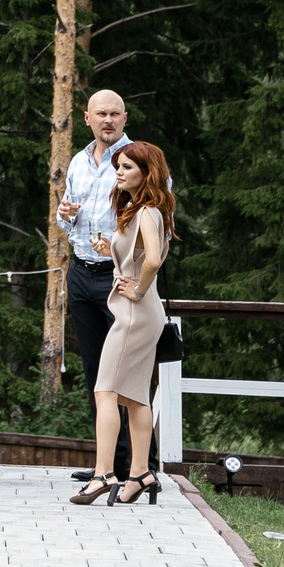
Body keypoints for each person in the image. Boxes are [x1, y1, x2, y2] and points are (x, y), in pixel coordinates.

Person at [56, 89, 155, 481]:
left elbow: (160, 219)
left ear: (125, 118)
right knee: (96, 372)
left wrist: (133, 271)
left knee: (128, 375)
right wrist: (65, 214)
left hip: (120, 279)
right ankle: (108, 464)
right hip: (81, 274)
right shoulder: (78, 162)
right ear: (87, 118)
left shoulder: (140, 159)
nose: (108, 120)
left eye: (115, 114)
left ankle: (141, 467)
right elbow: (66, 219)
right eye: (101, 114)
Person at [68, 139, 173, 507]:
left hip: (133, 314)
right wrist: (109, 249)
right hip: (143, 313)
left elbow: (153, 260)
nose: (119, 173)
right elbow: (140, 254)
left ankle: (103, 474)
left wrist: (138, 290)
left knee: (105, 391)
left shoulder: (147, 211)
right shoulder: (143, 209)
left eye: (127, 167)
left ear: (147, 172)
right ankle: (141, 473)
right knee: (135, 396)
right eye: (118, 166)